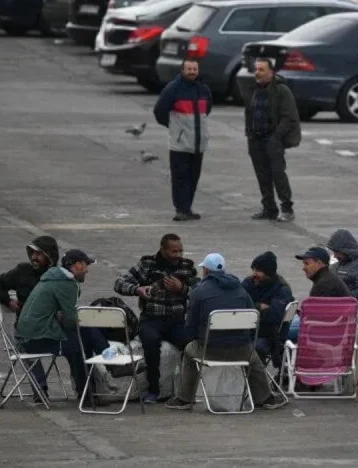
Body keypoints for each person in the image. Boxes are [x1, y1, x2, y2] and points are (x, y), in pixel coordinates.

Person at [165, 253, 287, 410]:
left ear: (206, 271)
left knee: (189, 350)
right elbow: (252, 318)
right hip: (241, 351)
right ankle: (266, 398)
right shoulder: (241, 290)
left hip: (209, 351)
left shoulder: (198, 292)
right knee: (252, 356)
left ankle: (184, 399)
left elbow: (190, 326)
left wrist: (198, 338)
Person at [114, 234, 200, 404]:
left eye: (180, 250)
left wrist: (181, 288)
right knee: (151, 343)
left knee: (191, 345)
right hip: (151, 319)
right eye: (173, 251)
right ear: (163, 250)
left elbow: (199, 292)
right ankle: (153, 389)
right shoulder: (147, 264)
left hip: (176, 320)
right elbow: (119, 283)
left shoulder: (187, 267)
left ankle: (185, 392)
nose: (178, 255)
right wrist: (137, 289)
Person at [16, 249, 108, 404]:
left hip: (27, 335)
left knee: (83, 334)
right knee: (81, 344)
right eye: (86, 266)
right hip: (35, 339)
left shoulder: (52, 278)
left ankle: (89, 392)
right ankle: (90, 391)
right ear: (78, 265)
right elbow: (71, 320)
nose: (87, 271)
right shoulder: (67, 283)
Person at [152, 58, 213, 222]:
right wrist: (175, 128)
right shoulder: (173, 88)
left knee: (193, 177)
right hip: (180, 144)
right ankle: (180, 209)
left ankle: (187, 208)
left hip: (198, 144)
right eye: (189, 69)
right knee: (180, 178)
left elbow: (207, 110)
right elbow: (159, 111)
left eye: (195, 69)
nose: (192, 72)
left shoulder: (203, 89)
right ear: (182, 70)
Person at [244, 58, 299, 223]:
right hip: (256, 139)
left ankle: (287, 208)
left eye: (261, 70)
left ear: (271, 72)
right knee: (262, 175)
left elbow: (289, 117)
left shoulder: (281, 90)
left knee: (278, 174)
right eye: (256, 69)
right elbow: (249, 113)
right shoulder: (253, 90)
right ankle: (269, 208)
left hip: (272, 139)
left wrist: (276, 137)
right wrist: (249, 133)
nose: (257, 73)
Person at [241, 251, 294, 368]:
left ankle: (256, 380)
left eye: (258, 271)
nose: (254, 274)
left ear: (269, 273)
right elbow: (237, 304)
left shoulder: (282, 289)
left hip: (269, 335)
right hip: (246, 330)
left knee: (254, 349)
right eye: (253, 269)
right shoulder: (249, 282)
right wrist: (259, 307)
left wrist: (250, 309)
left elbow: (274, 316)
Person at [287, 246, 351, 342]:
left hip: (326, 332)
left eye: (307, 263)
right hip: (337, 329)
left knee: (280, 330)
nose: (303, 268)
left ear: (319, 264)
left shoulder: (323, 285)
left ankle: (284, 356)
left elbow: (314, 319)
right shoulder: (329, 278)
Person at [0, 236, 59, 321]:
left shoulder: (59, 275)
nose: (34, 257)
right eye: (32, 253)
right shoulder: (23, 271)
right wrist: (8, 301)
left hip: (53, 327)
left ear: (49, 256)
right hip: (27, 328)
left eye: (38, 254)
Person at [326, 229, 358, 303]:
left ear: (345, 250)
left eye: (337, 252)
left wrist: (339, 298)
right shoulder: (336, 266)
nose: (335, 256)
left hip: (347, 308)